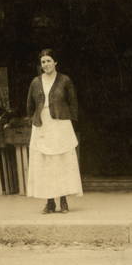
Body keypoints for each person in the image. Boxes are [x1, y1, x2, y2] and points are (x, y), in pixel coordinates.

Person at [25, 48, 82, 213]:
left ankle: (63, 201)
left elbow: (73, 104)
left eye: (49, 60)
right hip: (42, 127)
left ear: (55, 62)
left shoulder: (65, 80)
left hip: (60, 126)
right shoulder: (35, 82)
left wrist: (68, 122)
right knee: (44, 165)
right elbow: (29, 106)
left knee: (61, 163)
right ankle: (50, 202)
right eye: (43, 62)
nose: (46, 64)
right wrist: (35, 119)